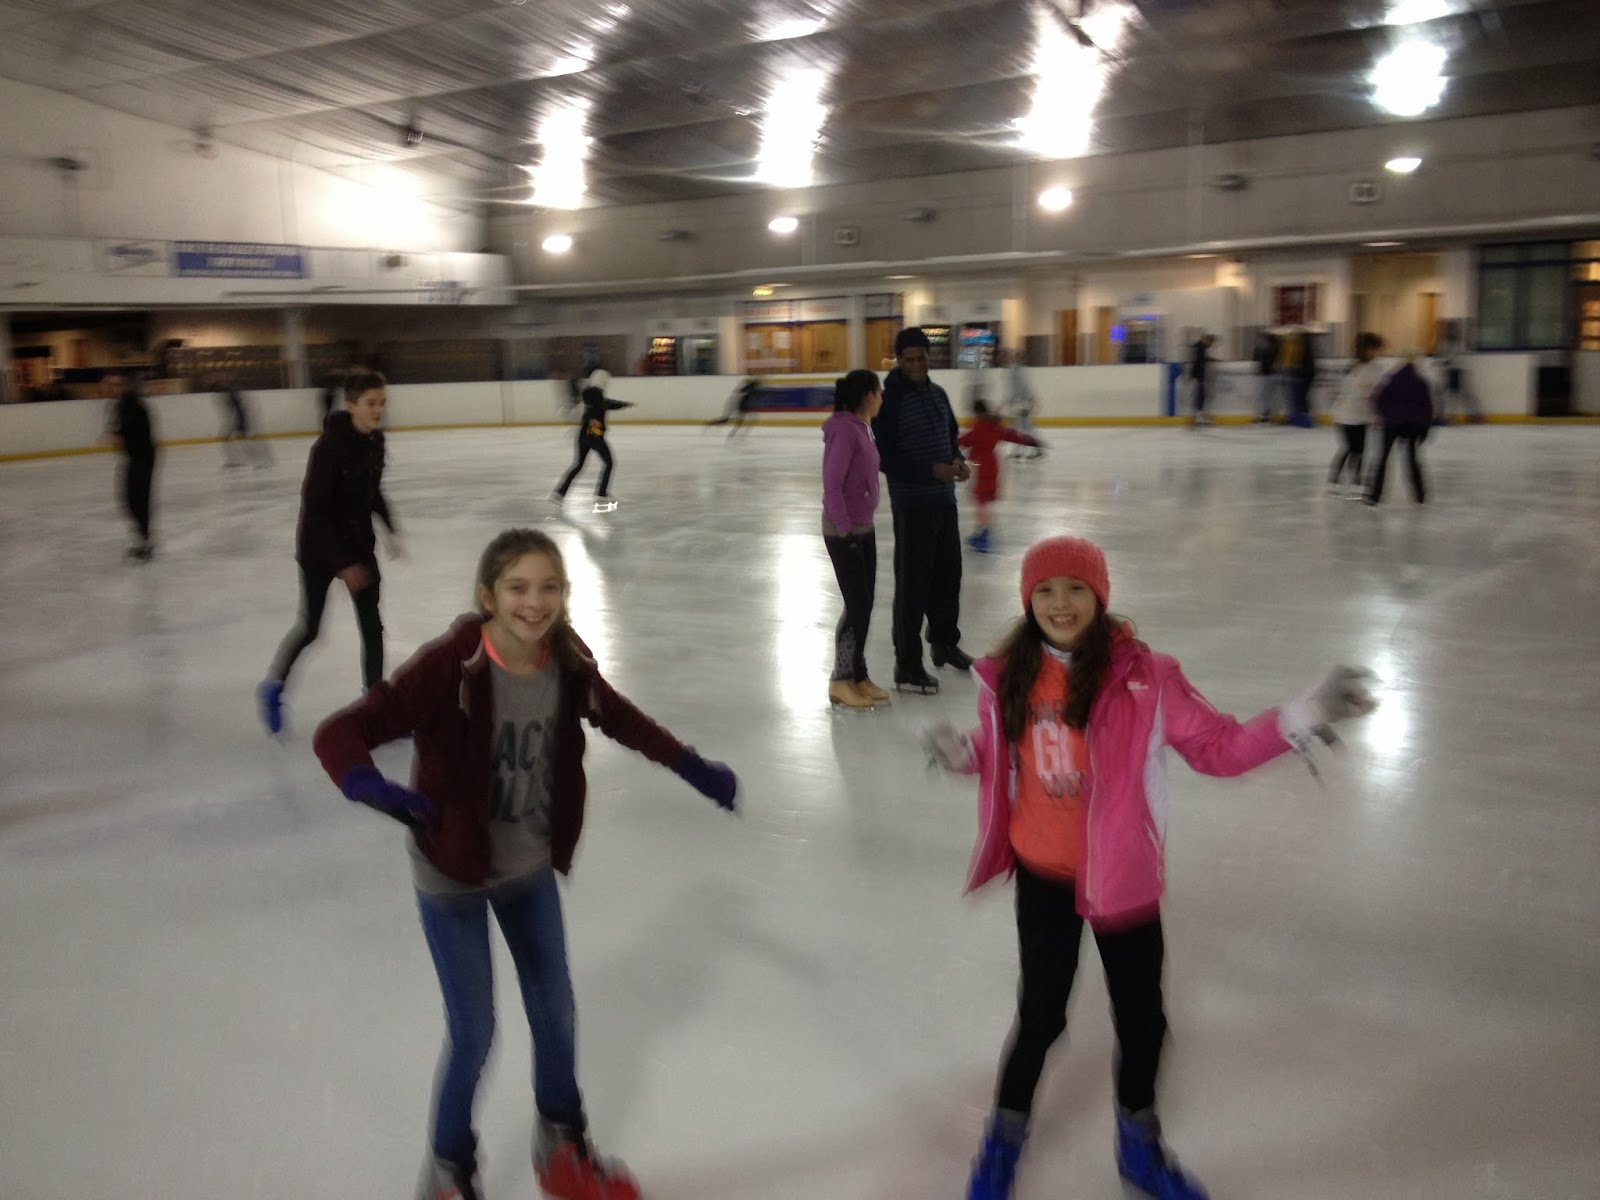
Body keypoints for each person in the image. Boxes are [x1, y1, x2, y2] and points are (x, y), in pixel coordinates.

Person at [924, 536, 1378, 1200]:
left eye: (1075, 588)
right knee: (1041, 1018)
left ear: (1100, 596)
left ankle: (1140, 1146)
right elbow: (1004, 750)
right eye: (1045, 591)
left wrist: (1301, 715)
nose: (1060, 603)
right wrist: (964, 754)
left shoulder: (1148, 678)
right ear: (1028, 600)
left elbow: (1220, 748)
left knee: (1143, 1023)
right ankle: (1003, 1140)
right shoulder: (1009, 675)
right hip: (1044, 876)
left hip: (1123, 878)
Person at [310, 528, 739, 1200]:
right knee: (475, 1031)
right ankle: (447, 1173)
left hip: (528, 868)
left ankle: (561, 1148)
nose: (533, 603)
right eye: (517, 588)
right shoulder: (452, 667)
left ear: (564, 595)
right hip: (451, 872)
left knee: (556, 1012)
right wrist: (364, 781)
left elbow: (622, 719)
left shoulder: (567, 664)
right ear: (488, 596)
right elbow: (342, 730)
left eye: (548, 588)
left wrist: (691, 765)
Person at [258, 371, 400, 734]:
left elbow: (373, 491)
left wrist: (391, 528)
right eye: (370, 403)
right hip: (320, 550)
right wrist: (343, 564)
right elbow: (315, 513)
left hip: (358, 544)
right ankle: (273, 686)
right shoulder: (327, 449)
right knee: (311, 628)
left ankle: (375, 708)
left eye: (382, 403)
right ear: (351, 405)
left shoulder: (376, 442)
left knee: (372, 629)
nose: (378, 410)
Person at [872, 327, 973, 695]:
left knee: (948, 577)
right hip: (912, 505)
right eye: (909, 359)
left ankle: (944, 643)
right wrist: (931, 471)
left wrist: (957, 461)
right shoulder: (889, 401)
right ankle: (907, 663)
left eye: (922, 358)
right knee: (912, 588)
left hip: (944, 501)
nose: (916, 364)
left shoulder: (938, 394)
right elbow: (885, 458)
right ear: (898, 360)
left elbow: (950, 437)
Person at [822, 369, 888, 710]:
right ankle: (840, 680)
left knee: (864, 603)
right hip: (843, 530)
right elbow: (832, 484)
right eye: (880, 392)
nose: (882, 399)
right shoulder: (845, 430)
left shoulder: (863, 427)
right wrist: (845, 529)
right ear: (869, 396)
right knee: (857, 605)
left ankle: (858, 675)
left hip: (864, 527)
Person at [957, 398, 1041, 553]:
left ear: (976, 413)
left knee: (981, 503)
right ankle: (982, 532)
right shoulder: (994, 426)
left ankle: (984, 535)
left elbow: (962, 441)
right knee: (984, 502)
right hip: (993, 466)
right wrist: (1031, 441)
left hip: (983, 468)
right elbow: (1013, 435)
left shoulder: (978, 428)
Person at [1365, 353, 1435, 506]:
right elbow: (1427, 407)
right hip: (1412, 425)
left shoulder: (1391, 379)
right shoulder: (1420, 382)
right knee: (1412, 460)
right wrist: (1425, 428)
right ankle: (1420, 496)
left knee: (1382, 459)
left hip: (1391, 424)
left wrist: (1385, 416)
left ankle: (1374, 496)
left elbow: (1379, 400)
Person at [102, 372, 158, 560]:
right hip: (133, 457)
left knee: (139, 500)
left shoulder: (133, 404)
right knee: (129, 500)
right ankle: (143, 540)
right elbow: (118, 430)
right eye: (108, 385)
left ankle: (146, 542)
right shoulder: (118, 406)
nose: (109, 389)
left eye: (114, 385)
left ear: (124, 386)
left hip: (144, 457)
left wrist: (118, 436)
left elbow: (132, 427)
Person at [551, 382, 633, 508]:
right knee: (609, 463)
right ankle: (601, 493)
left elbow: (610, 403)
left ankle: (559, 493)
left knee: (578, 465)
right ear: (598, 396)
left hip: (582, 438)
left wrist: (623, 404)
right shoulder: (600, 405)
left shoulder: (589, 405)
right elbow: (609, 404)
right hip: (595, 438)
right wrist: (625, 404)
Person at [1326, 332, 1389, 496]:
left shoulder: (1375, 368)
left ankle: (1356, 481)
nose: (1376, 352)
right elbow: (1351, 392)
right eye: (1374, 349)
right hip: (1346, 415)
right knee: (1350, 448)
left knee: (1359, 449)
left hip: (1361, 416)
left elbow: (1380, 392)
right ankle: (1335, 480)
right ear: (1366, 349)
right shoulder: (1355, 368)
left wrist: (1376, 413)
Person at [215, 377, 272, 469]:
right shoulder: (234, 394)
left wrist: (238, 421)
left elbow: (239, 410)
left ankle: (259, 461)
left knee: (244, 440)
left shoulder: (233, 394)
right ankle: (240, 461)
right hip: (238, 420)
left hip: (240, 420)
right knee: (237, 439)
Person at [1002, 349, 1041, 459]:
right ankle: (1020, 450)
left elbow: (1022, 388)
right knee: (1021, 428)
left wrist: (1028, 402)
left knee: (1025, 428)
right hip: (1020, 403)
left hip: (1022, 404)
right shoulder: (1015, 371)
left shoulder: (1018, 372)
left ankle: (1034, 449)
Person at [1251, 330, 1280, 423]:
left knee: (1263, 397)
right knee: (1268, 397)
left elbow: (1258, 359)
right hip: (1270, 375)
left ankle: (1264, 415)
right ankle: (1266, 414)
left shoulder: (1265, 350)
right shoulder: (1275, 349)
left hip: (1266, 375)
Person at [1187, 334, 1216, 425]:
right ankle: (1199, 417)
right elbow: (1198, 362)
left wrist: (1211, 359)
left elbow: (1201, 360)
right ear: (1208, 341)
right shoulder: (1200, 348)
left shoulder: (1200, 347)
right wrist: (1197, 376)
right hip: (1198, 376)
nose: (1211, 346)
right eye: (1211, 343)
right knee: (1200, 396)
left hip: (1198, 376)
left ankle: (1199, 416)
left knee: (1201, 396)